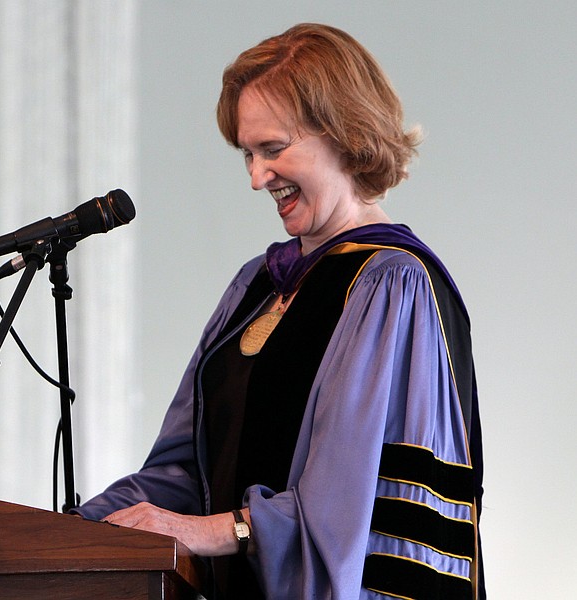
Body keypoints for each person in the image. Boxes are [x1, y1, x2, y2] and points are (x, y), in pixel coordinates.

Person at [72, 23, 485, 600]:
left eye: (273, 149)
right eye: (248, 153)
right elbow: (183, 473)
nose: (256, 177)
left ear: (345, 134)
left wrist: (221, 530)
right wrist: (67, 533)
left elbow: (352, 510)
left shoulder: (392, 285)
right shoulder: (256, 286)